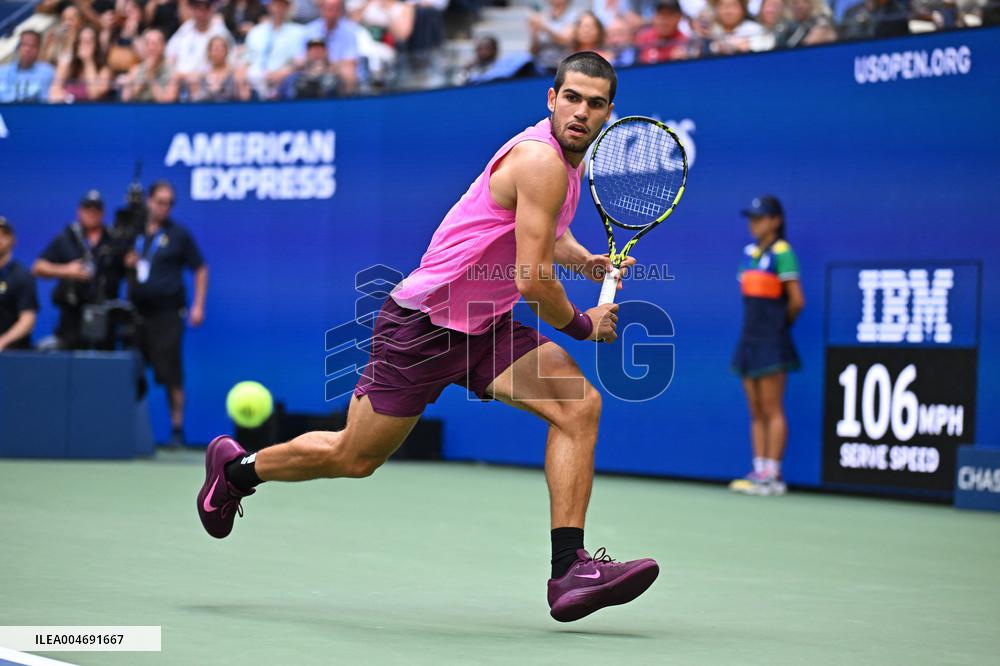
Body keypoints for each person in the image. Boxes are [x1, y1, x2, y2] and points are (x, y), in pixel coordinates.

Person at [197, 52, 659, 623]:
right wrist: (585, 324)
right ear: (551, 99)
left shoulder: (564, 166)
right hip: (421, 328)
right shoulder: (540, 160)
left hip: (486, 327)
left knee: (577, 406)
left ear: (609, 112)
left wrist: (585, 261)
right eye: (572, 98)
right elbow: (534, 281)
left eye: (594, 103)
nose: (581, 112)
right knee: (354, 456)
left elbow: (542, 235)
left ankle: (569, 570)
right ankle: (237, 472)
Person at [729, 195, 804, 497]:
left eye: (760, 218)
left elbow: (796, 302)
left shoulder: (783, 253)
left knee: (772, 409)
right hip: (749, 338)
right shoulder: (749, 253)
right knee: (756, 409)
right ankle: (759, 470)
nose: (754, 223)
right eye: (752, 218)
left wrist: (777, 329)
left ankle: (773, 475)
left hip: (772, 341)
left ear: (776, 221)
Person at [125, 181, 207, 447]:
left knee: (171, 373)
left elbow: (200, 268)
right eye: (160, 201)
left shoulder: (178, 234)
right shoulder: (132, 233)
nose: (165, 207)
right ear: (149, 201)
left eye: (170, 203)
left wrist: (198, 305)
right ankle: (128, 429)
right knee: (130, 371)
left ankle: (176, 430)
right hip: (134, 314)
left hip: (168, 315)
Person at [32, 191, 122, 350]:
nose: (92, 213)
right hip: (73, 315)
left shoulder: (114, 238)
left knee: (103, 365)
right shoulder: (67, 237)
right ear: (79, 211)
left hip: (105, 316)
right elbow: (38, 267)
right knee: (71, 362)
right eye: (88, 208)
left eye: (97, 209)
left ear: (103, 212)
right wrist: (66, 270)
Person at [242, 0, 307, 99]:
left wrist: (282, 73)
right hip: (254, 83)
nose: (277, 9)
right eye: (275, 4)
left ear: (288, 7)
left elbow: (300, 62)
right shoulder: (256, 31)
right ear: (269, 6)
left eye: (281, 5)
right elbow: (246, 61)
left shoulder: (299, 32)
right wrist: (242, 83)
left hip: (283, 84)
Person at [165, 0, 234, 78]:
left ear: (210, 11)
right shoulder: (185, 28)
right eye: (196, 9)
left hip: (207, 80)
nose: (199, 14)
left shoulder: (220, 31)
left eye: (202, 9)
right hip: (180, 79)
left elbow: (231, 59)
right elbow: (170, 52)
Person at [305, 0, 361, 95]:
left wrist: (328, 65)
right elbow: (303, 58)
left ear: (340, 10)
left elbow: (349, 62)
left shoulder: (350, 31)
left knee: (348, 73)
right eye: (327, 8)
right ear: (321, 8)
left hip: (337, 70)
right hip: (313, 69)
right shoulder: (310, 30)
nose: (331, 12)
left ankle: (348, 106)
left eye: (334, 8)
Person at [0, 218, 39, 352]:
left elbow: (28, 319)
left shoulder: (21, 276)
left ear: (12, 239)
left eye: (4, 234)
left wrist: (2, 341)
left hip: (13, 353)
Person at [48, 26, 112, 102]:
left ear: (96, 45)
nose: (84, 45)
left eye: (89, 42)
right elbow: (53, 93)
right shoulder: (68, 65)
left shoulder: (104, 69)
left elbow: (94, 95)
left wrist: (88, 61)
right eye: (81, 41)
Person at [0, 31, 56, 103]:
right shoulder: (2, 72)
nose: (27, 49)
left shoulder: (48, 72)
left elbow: (47, 103)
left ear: (39, 49)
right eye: (24, 45)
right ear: (18, 48)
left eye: (32, 46)